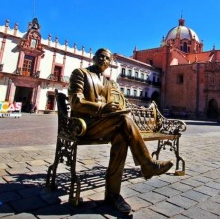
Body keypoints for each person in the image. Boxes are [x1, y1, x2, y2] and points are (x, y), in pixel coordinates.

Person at [68, 48, 173, 213]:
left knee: (122, 136)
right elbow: (76, 101)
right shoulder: (80, 74)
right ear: (94, 58)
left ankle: (113, 194)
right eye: (101, 56)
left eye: (107, 58)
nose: (104, 60)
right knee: (123, 121)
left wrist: (116, 108)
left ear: (110, 63)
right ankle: (148, 165)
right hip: (84, 125)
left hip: (105, 125)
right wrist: (103, 108)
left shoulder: (109, 83)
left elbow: (114, 105)